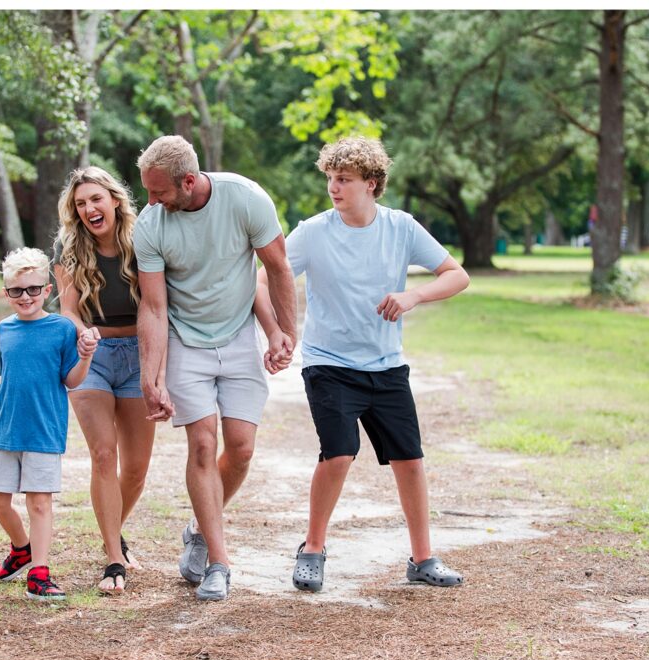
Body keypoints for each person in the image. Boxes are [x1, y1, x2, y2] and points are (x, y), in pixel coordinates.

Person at [256, 137, 470, 592]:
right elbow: (265, 275)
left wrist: (413, 295)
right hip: (329, 364)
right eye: (330, 178)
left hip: (387, 366)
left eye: (345, 180)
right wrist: (277, 331)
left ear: (371, 184)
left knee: (410, 460)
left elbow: (457, 275)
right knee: (339, 452)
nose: (334, 187)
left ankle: (422, 558)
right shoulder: (313, 232)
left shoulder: (401, 228)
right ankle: (312, 549)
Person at [134, 135, 296, 601]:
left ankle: (200, 530)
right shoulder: (151, 224)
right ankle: (219, 564)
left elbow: (278, 267)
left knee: (241, 449)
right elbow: (154, 306)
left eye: (159, 191)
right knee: (203, 444)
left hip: (240, 337)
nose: (151, 201)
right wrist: (153, 375)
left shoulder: (246, 199)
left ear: (188, 181)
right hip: (187, 342)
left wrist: (284, 333)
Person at [52, 166, 154, 595]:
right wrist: (82, 330)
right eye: (80, 203)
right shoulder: (69, 245)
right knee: (102, 454)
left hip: (140, 356)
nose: (89, 208)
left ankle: (113, 531)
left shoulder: (144, 238)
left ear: (115, 199)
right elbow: (69, 309)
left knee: (135, 469)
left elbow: (158, 303)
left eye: (96, 199)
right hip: (90, 354)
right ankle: (114, 558)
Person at [0, 247, 97, 601]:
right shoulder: (4, 329)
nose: (26, 297)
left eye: (34, 289)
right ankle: (22, 548)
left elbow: (73, 381)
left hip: (44, 430)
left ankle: (40, 571)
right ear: (7, 294)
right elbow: (9, 377)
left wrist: (86, 357)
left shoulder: (61, 328)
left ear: (47, 290)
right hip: (6, 428)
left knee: (39, 503)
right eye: (17, 291)